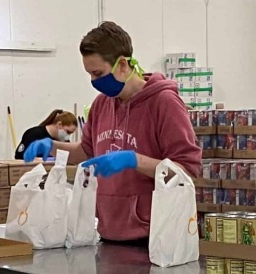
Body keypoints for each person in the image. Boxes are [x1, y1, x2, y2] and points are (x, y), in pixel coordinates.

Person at [76, 22, 201, 242]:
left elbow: (187, 172)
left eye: (98, 73)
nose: (95, 82)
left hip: (153, 239)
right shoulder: (101, 105)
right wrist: (50, 146)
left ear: (122, 64)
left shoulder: (164, 103)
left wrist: (135, 160)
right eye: (90, 75)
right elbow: (86, 152)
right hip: (108, 233)